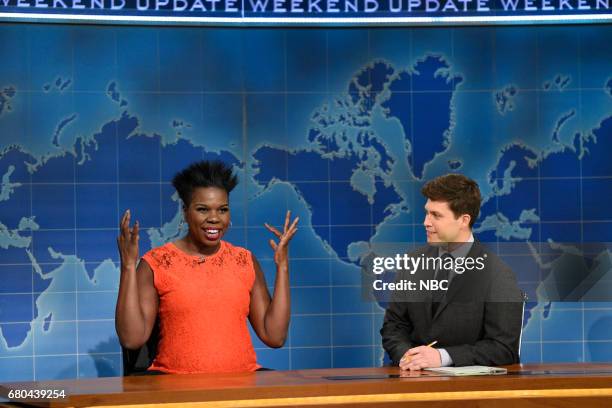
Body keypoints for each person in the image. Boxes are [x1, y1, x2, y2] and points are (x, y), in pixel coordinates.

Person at [115, 160, 298, 374]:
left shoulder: (244, 260)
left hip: (241, 387)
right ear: (185, 212)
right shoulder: (156, 263)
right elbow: (131, 339)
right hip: (177, 391)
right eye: (203, 209)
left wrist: (282, 267)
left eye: (222, 210)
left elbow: (274, 336)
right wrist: (128, 266)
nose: (214, 218)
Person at [380, 174, 523, 371]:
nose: (426, 223)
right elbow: (394, 326)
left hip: (466, 394)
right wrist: (408, 356)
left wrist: (442, 357)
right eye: (427, 213)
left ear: (464, 220)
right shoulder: (412, 263)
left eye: (436, 216)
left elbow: (503, 348)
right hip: (410, 385)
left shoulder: (498, 275)